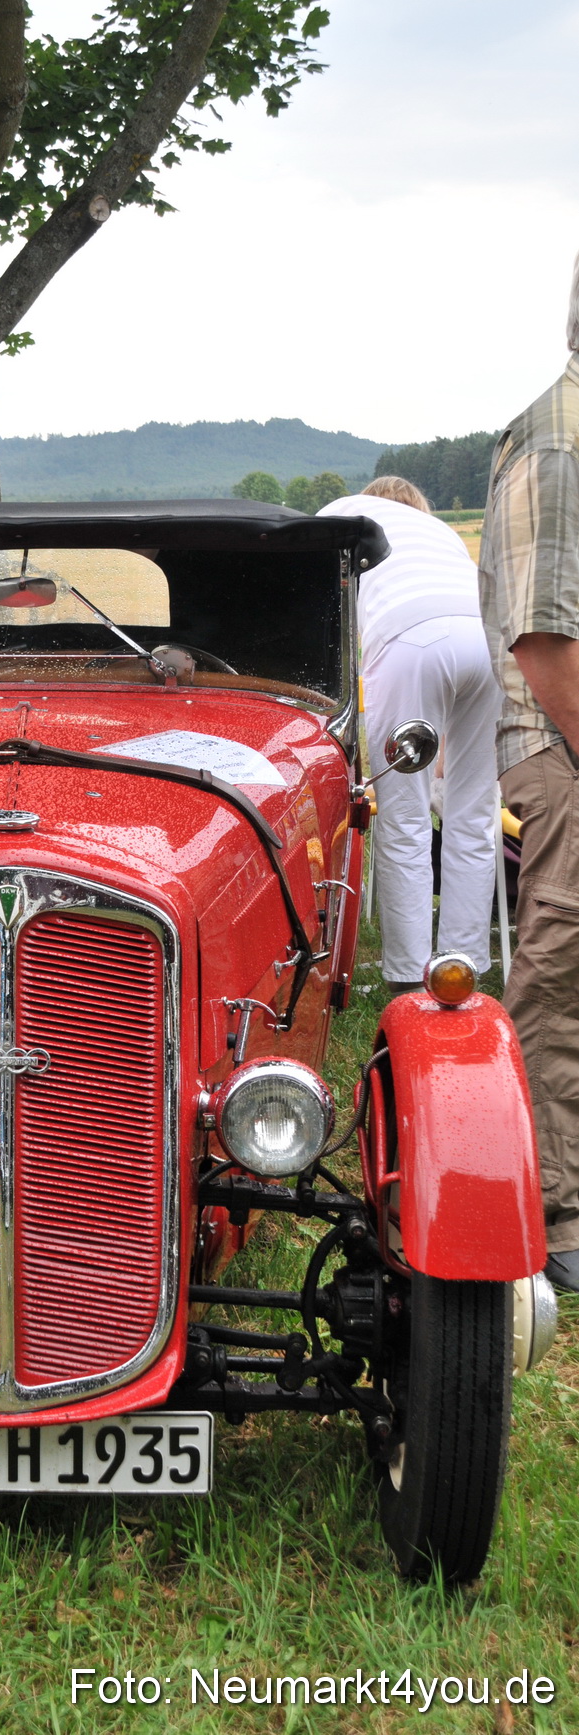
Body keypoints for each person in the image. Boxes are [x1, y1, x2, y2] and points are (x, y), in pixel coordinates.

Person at [478, 251, 579, 1292]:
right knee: (562, 978)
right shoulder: (558, 442)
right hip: (564, 755)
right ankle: (558, 1214)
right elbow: (546, 640)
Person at [318, 477, 501, 992]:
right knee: (474, 815)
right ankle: (464, 968)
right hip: (489, 636)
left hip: (411, 638)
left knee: (405, 819)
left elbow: (329, 619)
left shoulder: (344, 511)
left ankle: (410, 977)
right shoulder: (437, 528)